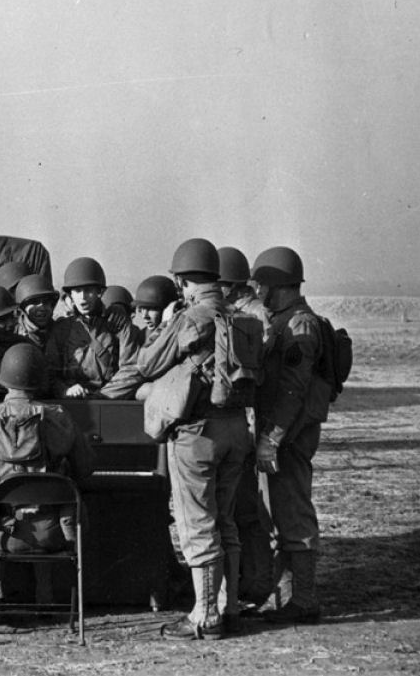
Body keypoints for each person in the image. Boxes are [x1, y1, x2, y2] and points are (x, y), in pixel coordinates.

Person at [127, 239, 251, 639]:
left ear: (181, 280)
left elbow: (147, 363)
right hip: (236, 429)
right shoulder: (237, 315)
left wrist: (166, 321)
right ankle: (230, 609)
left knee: (196, 524)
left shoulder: (190, 318)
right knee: (226, 521)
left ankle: (205, 615)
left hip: (197, 435)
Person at [0, 344, 95, 601]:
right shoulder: (58, 416)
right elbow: (85, 468)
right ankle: (44, 596)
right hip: (52, 535)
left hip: (3, 536)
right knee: (51, 497)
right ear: (39, 379)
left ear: (3, 380)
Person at [251, 246, 327, 625]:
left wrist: (272, 438)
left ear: (275, 286)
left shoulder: (299, 326)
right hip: (283, 434)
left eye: (261, 284)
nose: (257, 291)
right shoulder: (283, 321)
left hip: (290, 437)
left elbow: (293, 391)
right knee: (280, 514)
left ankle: (305, 600)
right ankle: (286, 597)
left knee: (294, 513)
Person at [218, 246, 276, 611]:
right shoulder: (247, 312)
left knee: (250, 511)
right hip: (250, 423)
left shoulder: (254, 316)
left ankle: (255, 583)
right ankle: (249, 581)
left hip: (254, 423)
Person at [46, 257, 136, 398]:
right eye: (77, 291)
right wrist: (65, 391)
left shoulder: (117, 325)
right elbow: (50, 374)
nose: (82, 297)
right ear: (70, 294)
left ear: (99, 292)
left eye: (88, 290)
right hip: (72, 404)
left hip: (109, 404)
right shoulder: (61, 329)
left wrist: (102, 395)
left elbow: (130, 369)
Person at [14, 273, 60, 349]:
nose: (42, 308)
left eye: (46, 302)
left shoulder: (62, 331)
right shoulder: (14, 336)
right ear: (22, 308)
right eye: (35, 302)